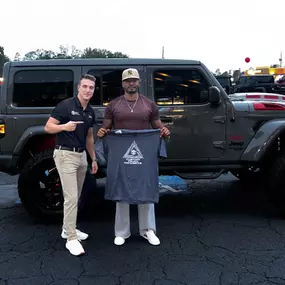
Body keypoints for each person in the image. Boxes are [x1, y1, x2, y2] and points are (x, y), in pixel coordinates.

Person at [97, 68, 170, 246]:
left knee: (146, 187)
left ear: (138, 82)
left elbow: (158, 126)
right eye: (128, 80)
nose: (131, 83)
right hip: (121, 155)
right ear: (122, 83)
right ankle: (122, 232)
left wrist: (165, 132)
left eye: (134, 80)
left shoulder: (149, 104)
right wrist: (102, 131)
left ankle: (148, 230)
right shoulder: (113, 105)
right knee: (122, 187)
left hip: (144, 154)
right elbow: (106, 127)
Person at [45, 74, 98, 256]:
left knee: (77, 196)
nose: (88, 90)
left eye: (91, 87)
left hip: (81, 156)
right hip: (65, 154)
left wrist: (94, 159)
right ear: (78, 88)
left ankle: (68, 229)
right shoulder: (65, 106)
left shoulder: (90, 111)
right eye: (85, 86)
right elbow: (48, 127)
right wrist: (64, 127)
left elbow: (90, 137)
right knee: (71, 198)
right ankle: (71, 239)